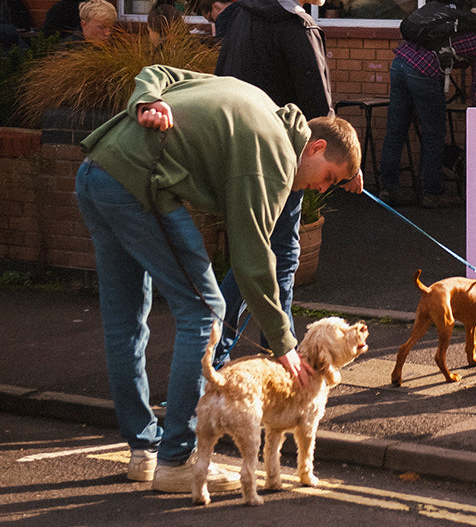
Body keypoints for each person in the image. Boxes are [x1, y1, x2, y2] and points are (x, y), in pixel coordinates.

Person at [75, 64, 362, 492]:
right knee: (205, 312)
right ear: (315, 147)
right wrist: (284, 345)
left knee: (126, 320)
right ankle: (175, 461)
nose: (322, 188)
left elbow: (158, 72)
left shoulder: (256, 99)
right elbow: (251, 257)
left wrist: (145, 101)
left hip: (97, 173)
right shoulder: (276, 158)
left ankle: (143, 452)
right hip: (139, 187)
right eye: (329, 177)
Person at [212, 0, 361, 366]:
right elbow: (320, 110)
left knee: (255, 254)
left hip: (237, 151)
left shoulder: (240, 14)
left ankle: (241, 357)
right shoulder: (298, 26)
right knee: (276, 259)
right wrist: (345, 166)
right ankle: (272, 361)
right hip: (283, 160)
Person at [378, 17, 476, 208]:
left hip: (399, 63)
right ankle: (432, 193)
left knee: (396, 130)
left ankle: (388, 189)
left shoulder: (457, 31)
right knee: (435, 134)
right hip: (422, 70)